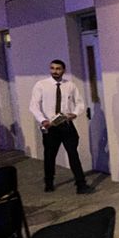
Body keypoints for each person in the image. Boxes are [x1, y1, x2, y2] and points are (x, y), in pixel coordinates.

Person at [29, 59, 92, 194]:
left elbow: (80, 103)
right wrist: (43, 120)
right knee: (50, 156)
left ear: (63, 70)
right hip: (51, 126)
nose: (55, 71)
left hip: (66, 125)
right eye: (52, 68)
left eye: (58, 69)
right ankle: (49, 182)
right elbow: (33, 106)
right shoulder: (41, 85)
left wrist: (74, 114)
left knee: (73, 154)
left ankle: (81, 184)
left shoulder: (70, 85)